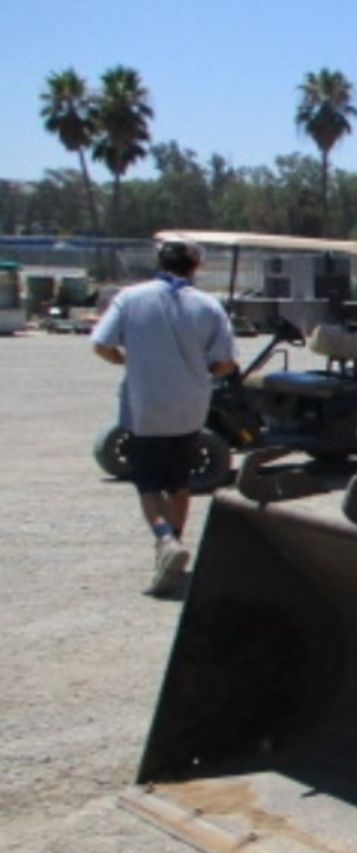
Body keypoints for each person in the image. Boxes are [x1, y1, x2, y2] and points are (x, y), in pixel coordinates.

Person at [92, 239, 237, 596]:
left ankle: (165, 540)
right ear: (196, 266)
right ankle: (174, 543)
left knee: (148, 484)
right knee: (179, 482)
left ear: (159, 262)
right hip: (190, 406)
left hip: (146, 406)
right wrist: (201, 373)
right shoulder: (208, 305)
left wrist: (128, 361)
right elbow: (225, 362)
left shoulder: (131, 298)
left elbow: (101, 344)